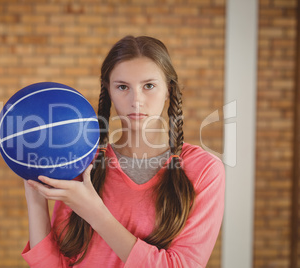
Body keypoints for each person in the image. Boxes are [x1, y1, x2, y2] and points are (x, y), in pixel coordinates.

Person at [22, 35, 225, 267]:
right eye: (122, 87)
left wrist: (96, 213)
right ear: (108, 91)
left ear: (168, 90)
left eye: (149, 86)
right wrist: (34, 197)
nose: (136, 100)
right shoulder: (83, 161)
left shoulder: (204, 170)